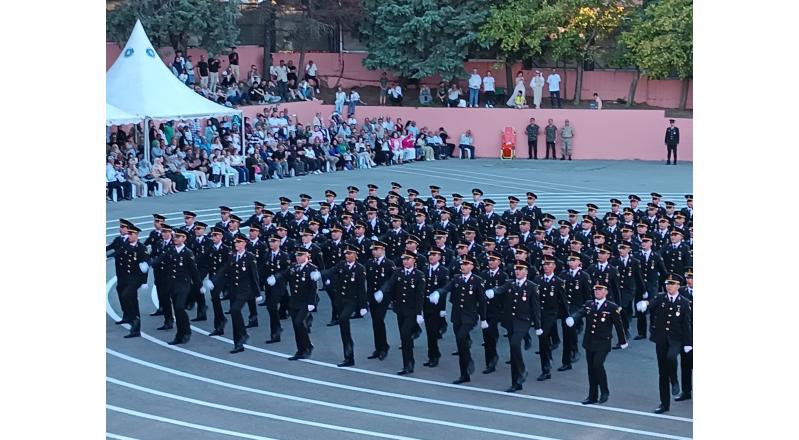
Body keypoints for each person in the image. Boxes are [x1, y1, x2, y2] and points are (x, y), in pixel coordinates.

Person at [636, 274, 692, 414]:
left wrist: (688, 342)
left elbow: (686, 324)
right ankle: (664, 404)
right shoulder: (661, 297)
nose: (669, 286)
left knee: (671, 357)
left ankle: (674, 381)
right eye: (668, 283)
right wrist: (645, 304)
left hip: (676, 339)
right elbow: (652, 302)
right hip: (661, 339)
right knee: (662, 373)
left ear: (678, 286)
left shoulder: (684, 302)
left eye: (672, 284)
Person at [565, 282, 628, 404]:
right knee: (591, 369)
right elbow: (580, 312)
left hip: (603, 342)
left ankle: (604, 391)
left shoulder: (611, 307)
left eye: (600, 290)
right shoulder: (589, 304)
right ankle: (592, 396)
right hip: (589, 341)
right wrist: (573, 318)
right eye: (596, 290)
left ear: (606, 292)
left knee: (597, 364)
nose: (597, 292)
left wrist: (622, 341)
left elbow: (619, 326)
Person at [487, 261, 542, 392]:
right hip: (510, 321)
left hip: (523, 321)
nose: (517, 271)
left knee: (515, 344)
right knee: (513, 351)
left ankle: (523, 370)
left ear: (526, 272)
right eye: (516, 269)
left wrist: (538, 326)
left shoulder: (532, 286)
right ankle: (516, 382)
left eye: (521, 269)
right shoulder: (510, 283)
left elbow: (535, 308)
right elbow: (500, 289)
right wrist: (493, 291)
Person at [433, 255, 487, 384]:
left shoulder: (477, 280)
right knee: (460, 344)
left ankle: (468, 362)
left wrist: (483, 318)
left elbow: (482, 301)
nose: (463, 266)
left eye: (466, 264)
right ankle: (464, 374)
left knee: (461, 337)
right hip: (457, 316)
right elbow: (447, 288)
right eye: (462, 264)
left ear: (472, 266)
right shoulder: (457, 278)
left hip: (470, 316)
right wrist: (438, 293)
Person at [375, 249, 426, 375]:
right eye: (404, 259)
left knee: (405, 335)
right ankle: (407, 363)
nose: (405, 261)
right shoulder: (398, 272)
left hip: (412, 311)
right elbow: (390, 283)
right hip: (400, 310)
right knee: (404, 337)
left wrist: (419, 313)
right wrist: (382, 291)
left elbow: (420, 295)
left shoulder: (419, 275)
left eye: (407, 259)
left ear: (414, 260)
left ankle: (409, 364)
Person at [322, 244, 368, 367]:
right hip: (340, 300)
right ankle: (348, 357)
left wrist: (363, 305)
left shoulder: (360, 269)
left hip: (352, 301)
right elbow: (331, 271)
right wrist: (320, 274)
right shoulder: (341, 265)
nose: (347, 255)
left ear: (355, 255)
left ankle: (349, 356)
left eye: (350, 253)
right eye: (346, 253)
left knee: (343, 318)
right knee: (344, 328)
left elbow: (361, 289)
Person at [111, 224, 149, 338]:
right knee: (124, 294)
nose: (129, 236)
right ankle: (129, 318)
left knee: (128, 296)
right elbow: (117, 254)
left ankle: (136, 326)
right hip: (125, 278)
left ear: (136, 235)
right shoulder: (125, 245)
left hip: (135, 279)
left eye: (131, 234)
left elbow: (145, 266)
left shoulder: (141, 248)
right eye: (128, 233)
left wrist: (144, 282)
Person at [287, 247, 322, 360]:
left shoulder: (312, 269)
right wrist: (276, 277)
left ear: (306, 256)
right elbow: (285, 274)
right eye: (297, 255)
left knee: (299, 323)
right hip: (294, 301)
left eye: (300, 255)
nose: (298, 257)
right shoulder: (293, 267)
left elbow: (314, 287)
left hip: (305, 302)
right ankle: (300, 349)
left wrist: (312, 302)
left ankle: (307, 347)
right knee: (296, 326)